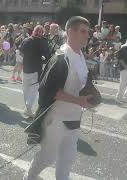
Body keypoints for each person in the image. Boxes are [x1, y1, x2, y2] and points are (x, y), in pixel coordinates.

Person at [23, 16, 91, 180]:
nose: (87, 35)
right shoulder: (61, 58)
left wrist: (91, 96)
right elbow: (49, 91)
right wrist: (78, 101)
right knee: (48, 156)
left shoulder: (80, 56)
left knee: (68, 158)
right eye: (83, 31)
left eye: (87, 32)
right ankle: (28, 177)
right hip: (57, 119)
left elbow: (81, 84)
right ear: (70, 32)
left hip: (74, 117)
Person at [20, 25, 51, 117]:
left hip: (26, 68)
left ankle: (27, 107)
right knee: (34, 89)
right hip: (36, 69)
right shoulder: (42, 41)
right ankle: (28, 108)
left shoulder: (26, 40)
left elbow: (21, 52)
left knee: (25, 89)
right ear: (41, 32)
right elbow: (47, 55)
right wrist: (42, 59)